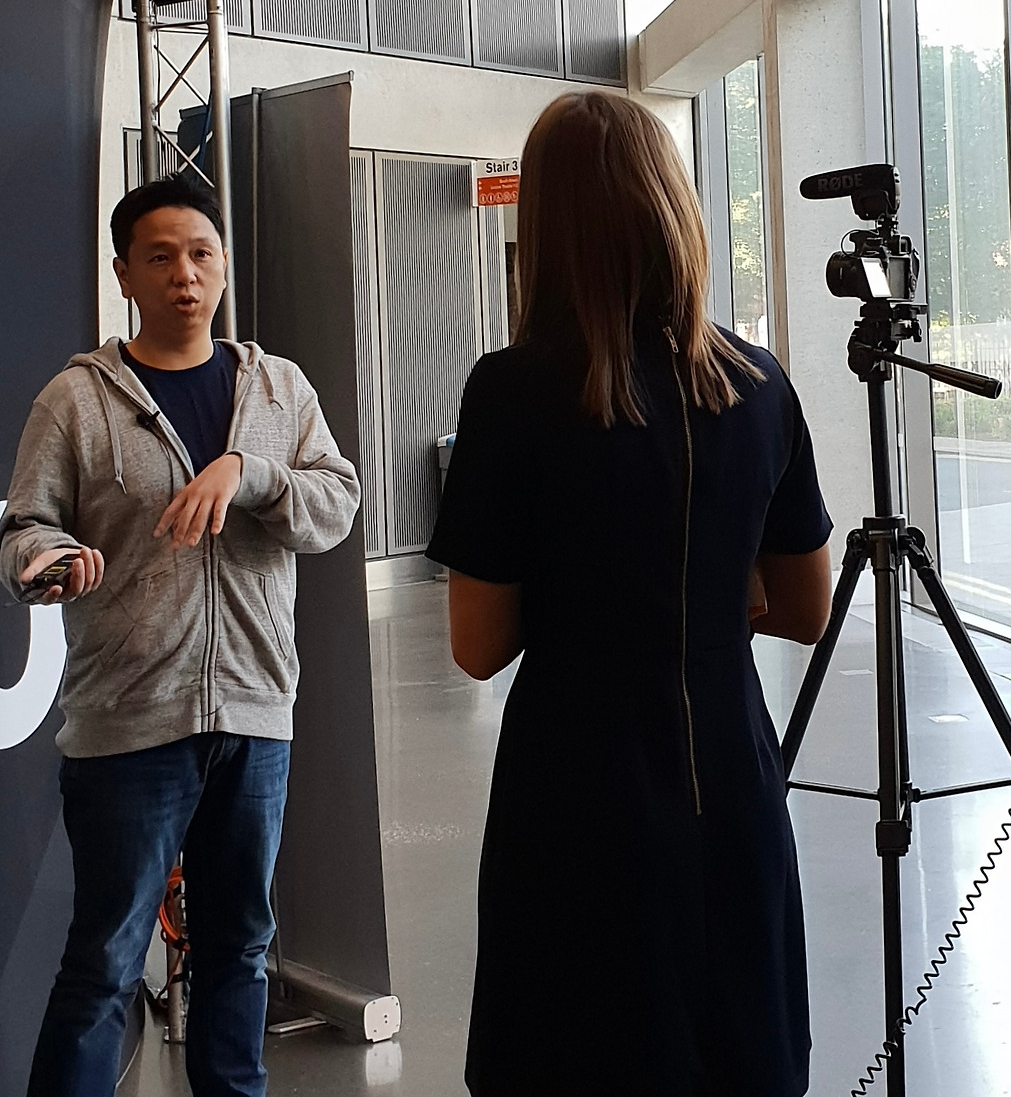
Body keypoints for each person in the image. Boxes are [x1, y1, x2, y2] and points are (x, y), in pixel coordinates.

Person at [427, 91, 834, 1097]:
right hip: (729, 768)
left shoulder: (511, 389)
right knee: (736, 1051)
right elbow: (804, 609)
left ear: (548, 221)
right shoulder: (759, 382)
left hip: (575, 782)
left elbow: (478, 644)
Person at [1, 173, 361, 1097]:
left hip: (254, 715)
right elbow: (24, 527)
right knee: (105, 963)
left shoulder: (279, 389)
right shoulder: (75, 401)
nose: (184, 275)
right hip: (130, 723)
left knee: (240, 949)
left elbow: (336, 503)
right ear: (124, 274)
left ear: (224, 266)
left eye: (201, 254)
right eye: (159, 257)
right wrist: (47, 558)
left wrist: (250, 472)